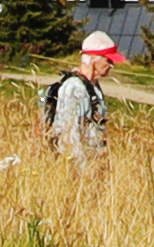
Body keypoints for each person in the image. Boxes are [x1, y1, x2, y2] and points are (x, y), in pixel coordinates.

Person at [48, 31, 117, 165]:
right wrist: (81, 171)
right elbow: (69, 134)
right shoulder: (74, 88)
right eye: (108, 60)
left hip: (94, 163)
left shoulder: (93, 86)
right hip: (79, 166)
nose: (112, 65)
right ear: (93, 59)